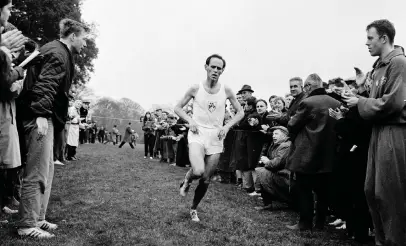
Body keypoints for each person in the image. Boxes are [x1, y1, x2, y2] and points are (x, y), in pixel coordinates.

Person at [16, 18, 88, 239]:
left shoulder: (60, 51)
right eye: (83, 38)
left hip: (45, 115)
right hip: (40, 116)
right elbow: (45, 86)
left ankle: (38, 218)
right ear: (73, 36)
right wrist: (40, 114)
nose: (85, 43)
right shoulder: (57, 53)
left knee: (46, 171)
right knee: (37, 171)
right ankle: (27, 225)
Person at [343, 19, 406, 246]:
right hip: (377, 133)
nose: (366, 43)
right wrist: (362, 88)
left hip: (393, 132)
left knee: (389, 194)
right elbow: (375, 98)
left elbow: (392, 104)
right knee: (372, 191)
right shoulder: (378, 66)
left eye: (370, 38)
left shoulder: (398, 62)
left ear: (384, 38)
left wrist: (359, 100)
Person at [174, 54, 244, 222]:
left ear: (223, 71)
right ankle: (187, 180)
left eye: (219, 68)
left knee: (206, 179)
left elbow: (241, 112)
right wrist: (190, 120)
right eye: (212, 67)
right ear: (206, 67)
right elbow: (177, 108)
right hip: (197, 133)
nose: (215, 70)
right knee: (198, 171)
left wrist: (226, 126)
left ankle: (193, 208)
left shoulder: (226, 90)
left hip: (215, 137)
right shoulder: (195, 88)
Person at [285, 74, 340, 231]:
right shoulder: (336, 102)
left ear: (308, 86)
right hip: (329, 154)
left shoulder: (307, 102)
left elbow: (292, 124)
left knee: (304, 189)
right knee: (323, 191)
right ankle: (320, 223)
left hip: (307, 153)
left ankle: (305, 222)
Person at [0, 0, 26, 218]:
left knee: (6, 162)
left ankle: (4, 201)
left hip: (8, 110)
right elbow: (5, 82)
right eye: (8, 8)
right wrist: (18, 73)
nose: (10, 13)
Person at [254, 126, 292, 210]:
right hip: (278, 172)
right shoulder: (276, 144)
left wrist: (267, 162)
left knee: (261, 172)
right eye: (273, 134)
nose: (273, 136)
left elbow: (277, 164)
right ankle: (269, 203)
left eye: (276, 134)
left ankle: (272, 203)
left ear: (284, 136)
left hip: (285, 175)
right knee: (261, 172)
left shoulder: (285, 146)